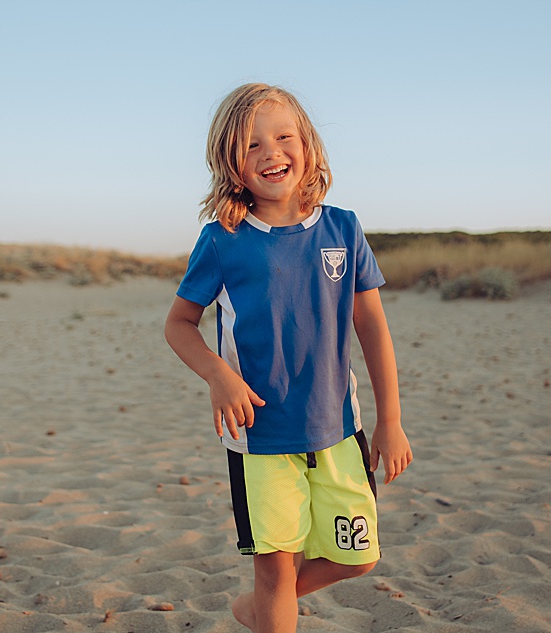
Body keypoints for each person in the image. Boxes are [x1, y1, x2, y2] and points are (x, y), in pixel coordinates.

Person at [162, 83, 413, 632]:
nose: (271, 153)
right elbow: (179, 324)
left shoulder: (342, 228)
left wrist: (390, 421)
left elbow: (372, 326)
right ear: (231, 162)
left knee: (359, 555)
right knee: (275, 573)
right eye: (251, 146)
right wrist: (218, 375)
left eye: (282, 137)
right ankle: (270, 602)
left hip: (339, 430)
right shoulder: (222, 240)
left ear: (308, 144)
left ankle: (258, 610)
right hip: (260, 438)